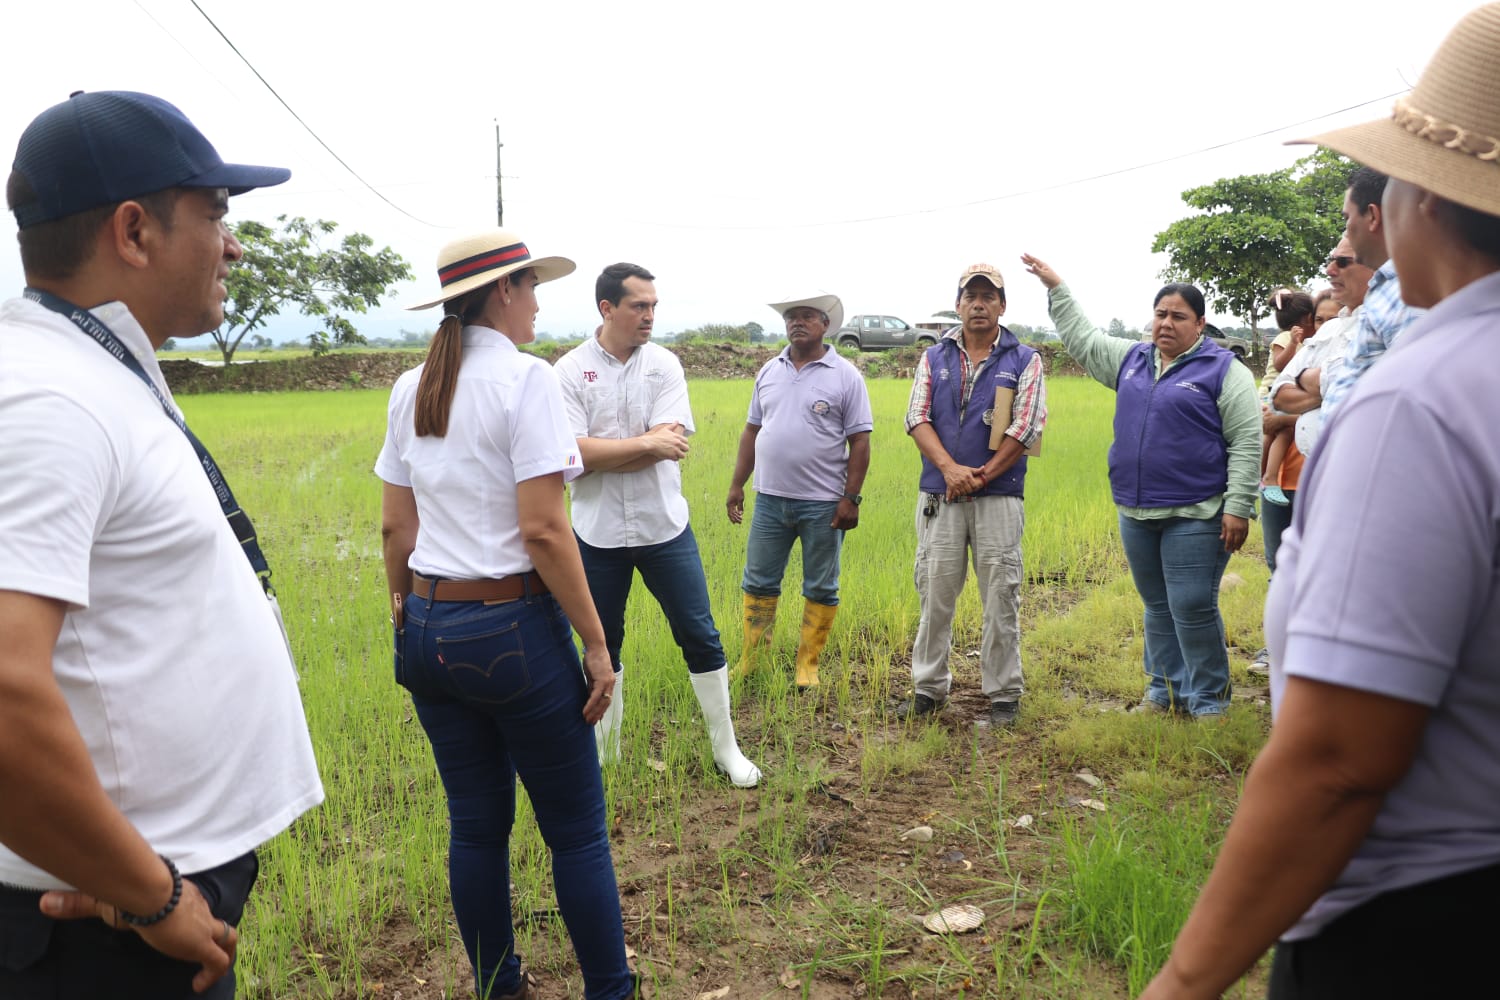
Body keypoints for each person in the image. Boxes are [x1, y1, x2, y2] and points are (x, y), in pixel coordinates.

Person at [1141, 6, 1500, 996]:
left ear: (1423, 197)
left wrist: (1180, 981)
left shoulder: (1422, 401)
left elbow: (1341, 758)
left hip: (1422, 928)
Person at [0, 91, 323, 998]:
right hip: (103, 929)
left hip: (135, 896)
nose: (235, 244)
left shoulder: (90, 366)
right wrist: (150, 898)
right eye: (218, 214)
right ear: (134, 232)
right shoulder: (49, 401)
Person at [376, 230, 634, 1000]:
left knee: (476, 826)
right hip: (512, 633)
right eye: (531, 287)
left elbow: (396, 529)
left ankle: (499, 986)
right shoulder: (525, 383)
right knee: (577, 831)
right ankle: (611, 991)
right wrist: (595, 642)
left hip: (428, 630)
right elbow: (545, 530)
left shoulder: (411, 385)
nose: (538, 302)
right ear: (503, 293)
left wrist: (404, 612)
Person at [1023, 256, 1259, 720]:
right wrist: (1058, 288)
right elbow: (1086, 341)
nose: (1166, 324)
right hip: (1136, 510)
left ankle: (1209, 701)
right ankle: (1163, 691)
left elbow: (1248, 440)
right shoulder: (1132, 360)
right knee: (1156, 606)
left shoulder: (1224, 371)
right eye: (1161, 314)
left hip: (1198, 511)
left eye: (1178, 316)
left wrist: (1238, 507)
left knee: (1191, 605)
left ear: (1200, 324)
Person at [554, 264, 761, 787]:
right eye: (638, 306)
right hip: (596, 534)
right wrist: (644, 445)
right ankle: (607, 753)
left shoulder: (664, 365)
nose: (649, 316)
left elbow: (670, 443)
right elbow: (569, 456)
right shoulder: (570, 371)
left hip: (664, 529)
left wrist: (603, 453)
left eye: (653, 306)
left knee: (700, 633)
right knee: (603, 641)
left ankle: (726, 749)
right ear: (607, 309)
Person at [895, 263, 1047, 729]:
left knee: (1001, 594)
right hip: (941, 494)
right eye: (970, 296)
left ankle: (1003, 695)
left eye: (989, 296)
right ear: (958, 304)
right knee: (934, 593)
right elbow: (916, 417)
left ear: (1003, 306)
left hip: (999, 496)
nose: (978, 304)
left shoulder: (1025, 359)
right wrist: (949, 470)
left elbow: (1026, 427)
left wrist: (978, 478)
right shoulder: (934, 358)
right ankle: (928, 688)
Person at [725, 293, 873, 690]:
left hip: (824, 503)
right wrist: (737, 485)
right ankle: (753, 661)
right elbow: (752, 431)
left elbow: (860, 442)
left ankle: (808, 665)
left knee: (822, 584)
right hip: (770, 500)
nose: (797, 323)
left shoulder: (845, 376)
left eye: (807, 317)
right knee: (758, 581)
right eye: (792, 317)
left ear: (826, 325)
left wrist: (850, 498)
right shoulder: (768, 371)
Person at [1317, 166, 1425, 416]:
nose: (1346, 231)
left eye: (1347, 218)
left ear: (1373, 216)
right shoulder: (1388, 287)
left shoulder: (1406, 292)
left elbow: (1409, 395)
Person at [1268, 238, 1373, 457]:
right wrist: (1335, 389)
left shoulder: (1387, 326)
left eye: (1343, 262)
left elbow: (1370, 392)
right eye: (1330, 260)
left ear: (1377, 265)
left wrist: (1307, 380)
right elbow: (1279, 395)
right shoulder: (1329, 331)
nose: (1330, 270)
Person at [1258, 289, 1315, 508]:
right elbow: (1281, 365)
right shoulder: (1286, 338)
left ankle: (1261, 478)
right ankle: (1268, 477)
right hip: (1270, 395)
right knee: (1282, 431)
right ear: (1307, 317)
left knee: (1275, 433)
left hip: (1276, 395)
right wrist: (1292, 343)